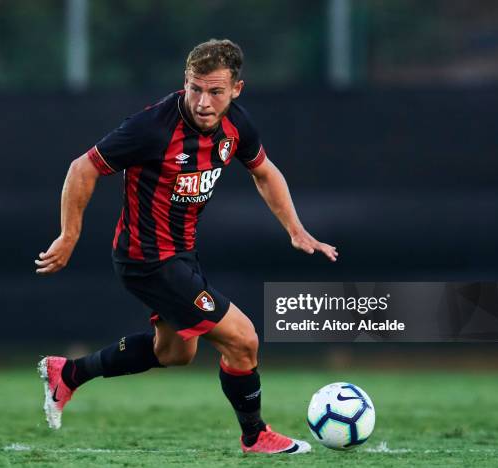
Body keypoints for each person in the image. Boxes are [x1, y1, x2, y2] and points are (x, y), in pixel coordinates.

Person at [35, 39, 337, 455]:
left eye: (215, 91)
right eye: (195, 88)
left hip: (180, 256)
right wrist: (68, 236)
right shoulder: (153, 127)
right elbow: (82, 168)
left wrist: (296, 229)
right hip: (147, 259)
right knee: (244, 340)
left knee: (174, 352)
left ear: (236, 90)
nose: (203, 101)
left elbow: (264, 173)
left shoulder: (237, 126)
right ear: (185, 83)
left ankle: (67, 373)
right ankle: (256, 436)